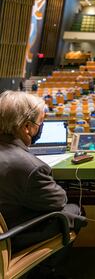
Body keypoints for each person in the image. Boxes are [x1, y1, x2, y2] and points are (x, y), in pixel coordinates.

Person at [0, 91, 86, 270]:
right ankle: (45, 271)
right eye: (39, 123)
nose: (40, 128)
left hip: (6, 222)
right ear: (26, 127)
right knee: (73, 211)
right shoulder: (30, 167)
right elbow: (57, 201)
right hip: (11, 237)